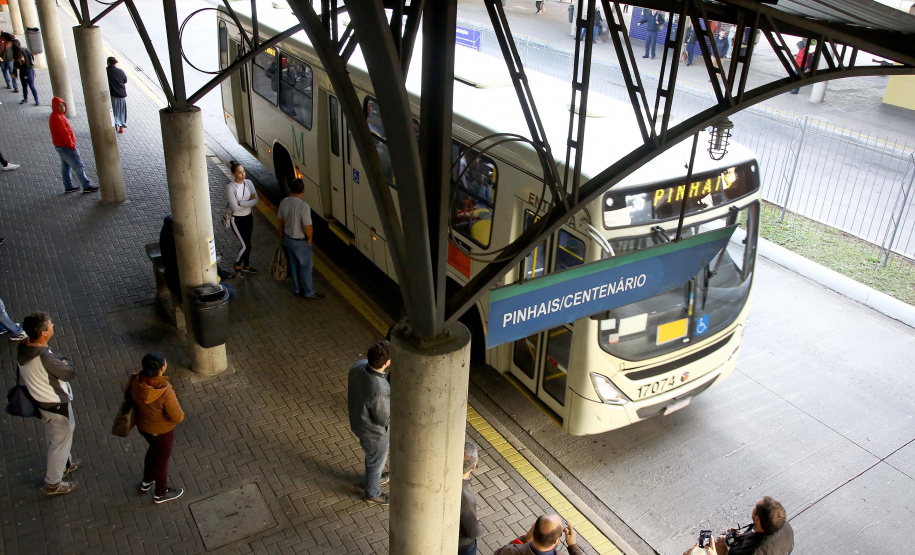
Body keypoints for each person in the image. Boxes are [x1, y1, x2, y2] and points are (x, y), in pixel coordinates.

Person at [17, 313, 81, 496]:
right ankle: (53, 483)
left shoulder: (24, 347)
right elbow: (69, 372)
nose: (53, 324)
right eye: (50, 324)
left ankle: (66, 463)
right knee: (59, 442)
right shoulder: (45, 357)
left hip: (40, 401)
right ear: (44, 332)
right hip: (55, 404)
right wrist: (64, 362)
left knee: (55, 436)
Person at [130, 352, 185, 504]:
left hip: (143, 426)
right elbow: (178, 417)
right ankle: (161, 493)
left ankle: (147, 481)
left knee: (153, 452)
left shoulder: (136, 379)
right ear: (161, 368)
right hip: (162, 432)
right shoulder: (165, 391)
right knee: (161, 462)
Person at [347, 340, 391, 505]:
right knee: (375, 462)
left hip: (359, 422)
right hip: (374, 433)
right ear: (387, 363)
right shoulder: (378, 389)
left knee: (372, 457)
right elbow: (383, 418)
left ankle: (375, 478)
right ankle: (373, 493)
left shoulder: (359, 366)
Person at [682, 497, 794, 555]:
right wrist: (741, 536)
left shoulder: (752, 552)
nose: (753, 508)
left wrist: (719, 553)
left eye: (755, 508)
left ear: (757, 519)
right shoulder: (783, 526)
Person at [277, 178, 324, 300]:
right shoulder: (303, 206)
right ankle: (309, 292)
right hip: (300, 242)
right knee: (306, 267)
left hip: (288, 239)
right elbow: (308, 227)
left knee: (293, 264)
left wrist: (281, 233)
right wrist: (309, 240)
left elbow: (281, 221)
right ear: (303, 191)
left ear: (290, 189)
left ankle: (297, 289)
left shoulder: (284, 202)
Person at [50, 97, 98, 193]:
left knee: (66, 165)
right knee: (78, 165)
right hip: (66, 147)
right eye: (59, 106)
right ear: (55, 107)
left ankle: (68, 186)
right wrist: (71, 145)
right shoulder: (58, 118)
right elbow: (65, 134)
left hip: (60, 146)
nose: (62, 108)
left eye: (63, 105)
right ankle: (86, 185)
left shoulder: (55, 116)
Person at [226, 161, 259, 274]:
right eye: (239, 172)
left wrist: (241, 203)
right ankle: (237, 264)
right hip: (237, 219)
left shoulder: (249, 183)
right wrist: (247, 202)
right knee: (245, 245)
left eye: (243, 171)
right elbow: (235, 207)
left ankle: (247, 266)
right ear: (234, 174)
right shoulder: (230, 187)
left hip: (249, 217)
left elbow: (256, 200)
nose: (243, 174)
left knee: (248, 243)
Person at [495, 514, 582, 555]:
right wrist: (573, 546)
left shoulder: (511, 551)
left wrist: (525, 538)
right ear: (556, 541)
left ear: (534, 531)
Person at [458, 441, 485, 555]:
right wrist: (480, 526)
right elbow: (474, 532)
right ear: (473, 467)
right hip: (462, 545)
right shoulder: (465, 496)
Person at [12, 41, 38, 105]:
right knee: (27, 86)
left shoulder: (20, 53)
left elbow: (26, 64)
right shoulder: (24, 50)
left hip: (27, 71)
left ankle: (34, 100)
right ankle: (32, 99)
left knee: (29, 86)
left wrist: (25, 74)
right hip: (28, 70)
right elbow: (32, 59)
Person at [107, 57, 128, 133]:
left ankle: (115, 125)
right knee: (122, 111)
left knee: (114, 112)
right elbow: (125, 80)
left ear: (108, 62)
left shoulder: (106, 71)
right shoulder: (120, 71)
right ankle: (121, 127)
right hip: (122, 95)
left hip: (112, 95)